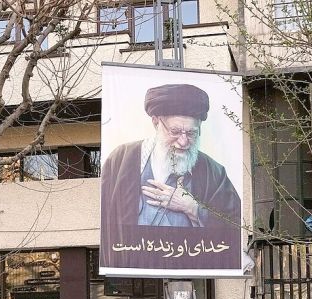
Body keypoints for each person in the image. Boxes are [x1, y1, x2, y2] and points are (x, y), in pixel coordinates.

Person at [100, 83, 242, 269]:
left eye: (191, 133)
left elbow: (235, 228)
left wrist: (192, 208)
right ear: (156, 122)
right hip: (135, 269)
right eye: (175, 132)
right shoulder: (120, 160)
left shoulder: (214, 172)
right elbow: (107, 228)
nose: (183, 142)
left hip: (190, 265)